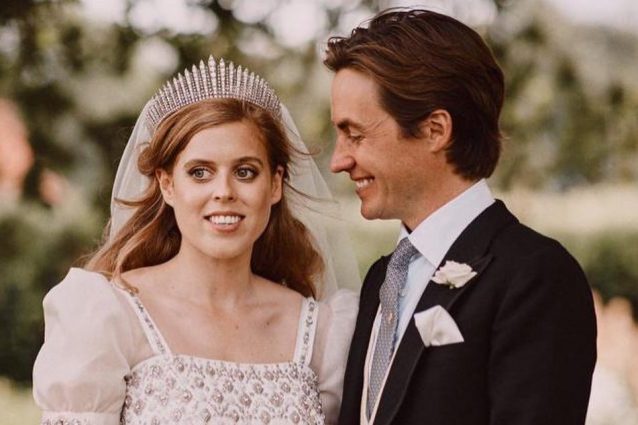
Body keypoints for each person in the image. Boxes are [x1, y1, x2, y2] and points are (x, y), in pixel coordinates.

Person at [32, 56, 360, 424]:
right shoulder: (110, 316)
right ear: (167, 184)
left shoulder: (323, 333)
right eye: (200, 172)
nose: (224, 191)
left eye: (245, 172)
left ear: (275, 184)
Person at [324, 9, 597, 425]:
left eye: (355, 134)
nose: (338, 161)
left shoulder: (535, 277)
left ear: (435, 130)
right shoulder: (381, 278)